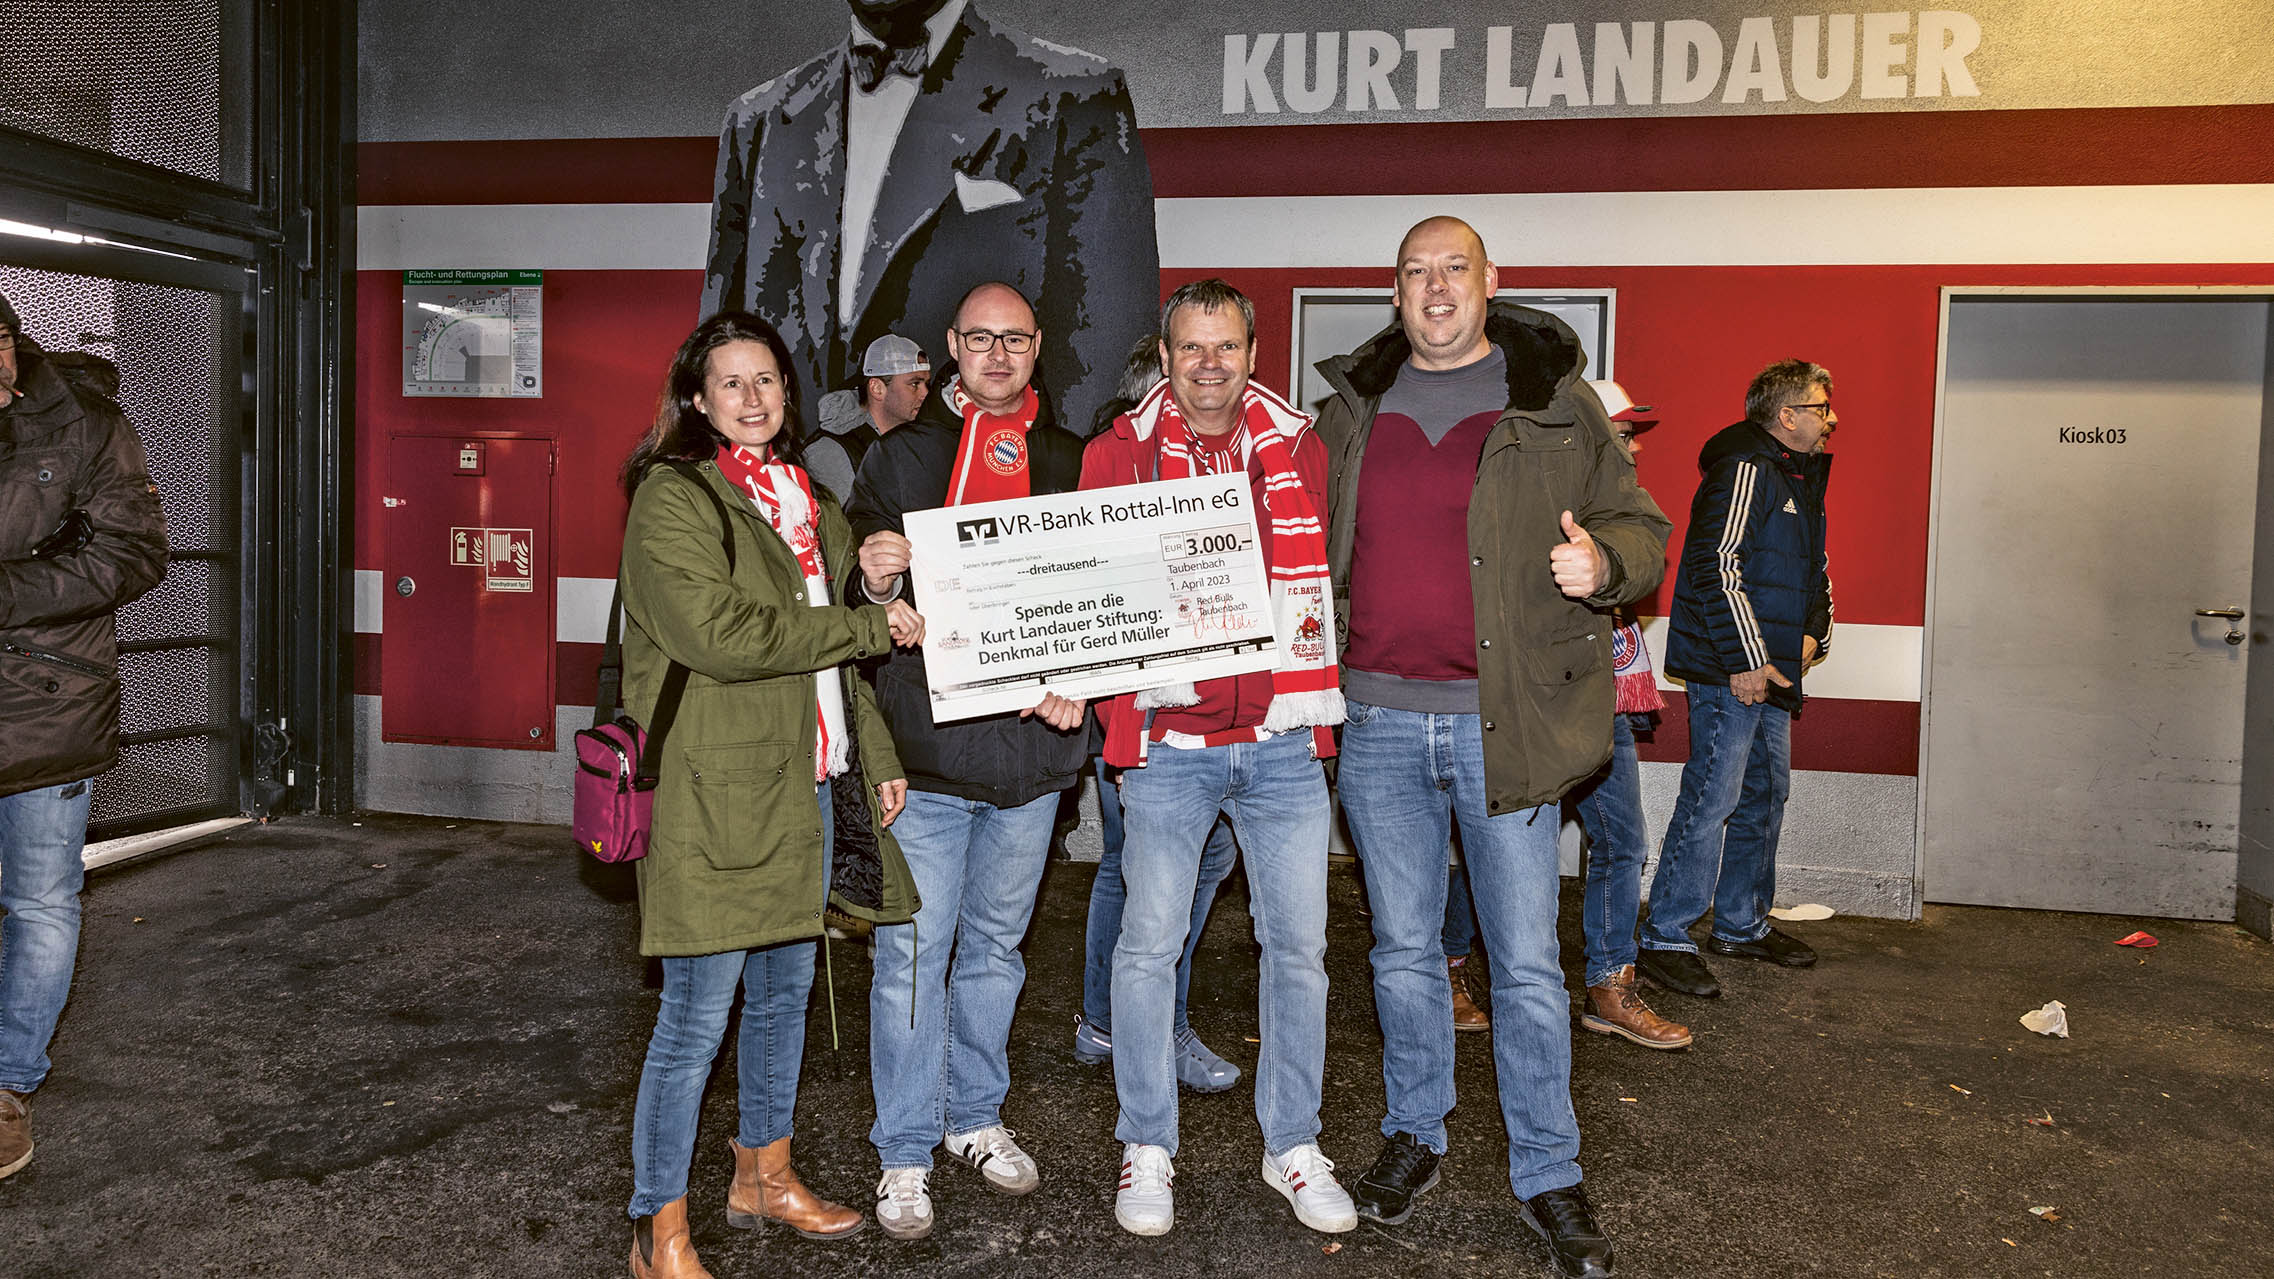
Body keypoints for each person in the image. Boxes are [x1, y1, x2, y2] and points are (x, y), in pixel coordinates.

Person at [1316, 217, 1670, 1279]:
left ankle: (1549, 1169)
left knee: (1521, 962)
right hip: (1374, 722)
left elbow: (1642, 529)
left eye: (1453, 269)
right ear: (1395, 292)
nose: (1435, 288)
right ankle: (1415, 1135)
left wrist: (1603, 561)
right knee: (1403, 951)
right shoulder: (1350, 410)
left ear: (1489, 282)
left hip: (1504, 725)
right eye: (1415, 272)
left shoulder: (1554, 403)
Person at [614, 311, 925, 1278]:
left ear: (787, 395)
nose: (753, 399)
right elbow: (726, 634)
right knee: (695, 1020)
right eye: (731, 383)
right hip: (716, 797)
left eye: (768, 381)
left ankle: (762, 1171)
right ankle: (656, 1228)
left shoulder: (805, 496)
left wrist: (873, 751)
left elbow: (834, 654)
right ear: (698, 400)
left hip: (807, 788)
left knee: (787, 995)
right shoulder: (673, 499)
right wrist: (863, 627)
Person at [1084, 280, 1354, 1237]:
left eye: (1226, 347)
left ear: (1252, 352)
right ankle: (1146, 1144)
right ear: (1165, 357)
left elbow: (1325, 571)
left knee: (1301, 953)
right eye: (1190, 348)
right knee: (1149, 947)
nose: (1208, 365)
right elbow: (1092, 593)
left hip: (1282, 740)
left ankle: (1294, 1143)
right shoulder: (1115, 454)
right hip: (1171, 744)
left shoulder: (1300, 446)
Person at [845, 281, 1090, 1240]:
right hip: (930, 757)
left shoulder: (1072, 461)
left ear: (1038, 348)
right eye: (979, 338)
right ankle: (904, 1150)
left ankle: (973, 1115)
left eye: (1015, 339)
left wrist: (1087, 676)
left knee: (994, 950)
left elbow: (1100, 595)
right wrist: (873, 574)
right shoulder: (900, 457)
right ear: (951, 345)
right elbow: (846, 582)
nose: (997, 354)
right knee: (912, 953)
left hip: (1032, 761)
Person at [701, 0, 1157, 440]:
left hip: (977, 487)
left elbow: (1106, 354)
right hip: (784, 487)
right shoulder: (754, 120)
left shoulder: (1077, 94)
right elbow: (717, 343)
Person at [0, 292, 169, 1183]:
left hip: (49, 703)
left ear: (11, 344)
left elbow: (136, 554)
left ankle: (8, 1087)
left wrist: (11, 595)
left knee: (38, 901)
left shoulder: (89, 425)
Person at [1637, 360, 1836, 1001]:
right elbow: (1713, 567)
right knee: (1712, 798)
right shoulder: (1746, 468)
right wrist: (1746, 659)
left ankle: (1741, 925)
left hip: (1772, 667)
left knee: (1764, 795)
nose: (1831, 419)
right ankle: (1665, 937)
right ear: (1787, 415)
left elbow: (1812, 568)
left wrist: (1813, 630)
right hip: (1735, 669)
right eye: (1822, 407)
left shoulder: (1798, 477)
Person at [1074, 330, 1241, 1094]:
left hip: (1193, 701)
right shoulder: (1126, 459)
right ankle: (1144, 1025)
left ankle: (1107, 1021)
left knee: (1146, 864)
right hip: (1144, 706)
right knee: (1153, 869)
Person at [1570, 381, 1691, 1051]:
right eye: (1624, 429)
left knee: (1622, 841)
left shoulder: (1620, 507)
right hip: (1550, 705)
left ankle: (1608, 986)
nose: (1635, 441)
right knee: (1497, 851)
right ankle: (1449, 967)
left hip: (1606, 702)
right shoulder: (1553, 502)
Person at [805, 333, 930, 500]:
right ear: (877, 388)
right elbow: (824, 524)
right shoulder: (831, 453)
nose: (925, 394)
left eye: (926, 384)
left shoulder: (916, 440)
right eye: (914, 384)